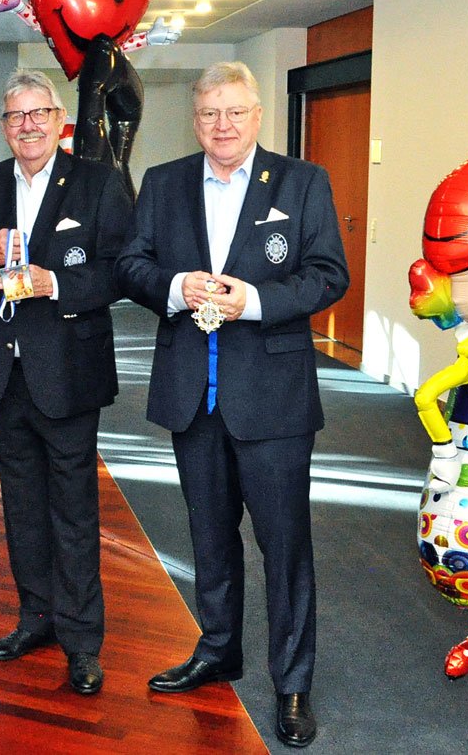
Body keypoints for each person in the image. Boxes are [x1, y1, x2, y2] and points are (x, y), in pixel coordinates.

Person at [116, 61, 347, 747]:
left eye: (235, 112)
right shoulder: (164, 183)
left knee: (284, 548)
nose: (222, 125)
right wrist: (177, 284)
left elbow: (328, 273)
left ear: (257, 116)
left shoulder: (302, 182)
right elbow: (132, 264)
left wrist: (254, 301)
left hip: (272, 400)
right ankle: (219, 649)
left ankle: (293, 681)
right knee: (209, 540)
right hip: (194, 397)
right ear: (195, 119)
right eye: (210, 112)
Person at [0, 69, 132, 694]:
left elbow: (123, 271)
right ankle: (36, 618)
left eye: (39, 114)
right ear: (4, 126)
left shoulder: (99, 183)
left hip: (67, 372)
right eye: (16, 116)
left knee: (73, 510)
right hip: (2, 374)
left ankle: (82, 640)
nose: (28, 125)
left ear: (58, 121)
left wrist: (59, 285)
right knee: (21, 507)